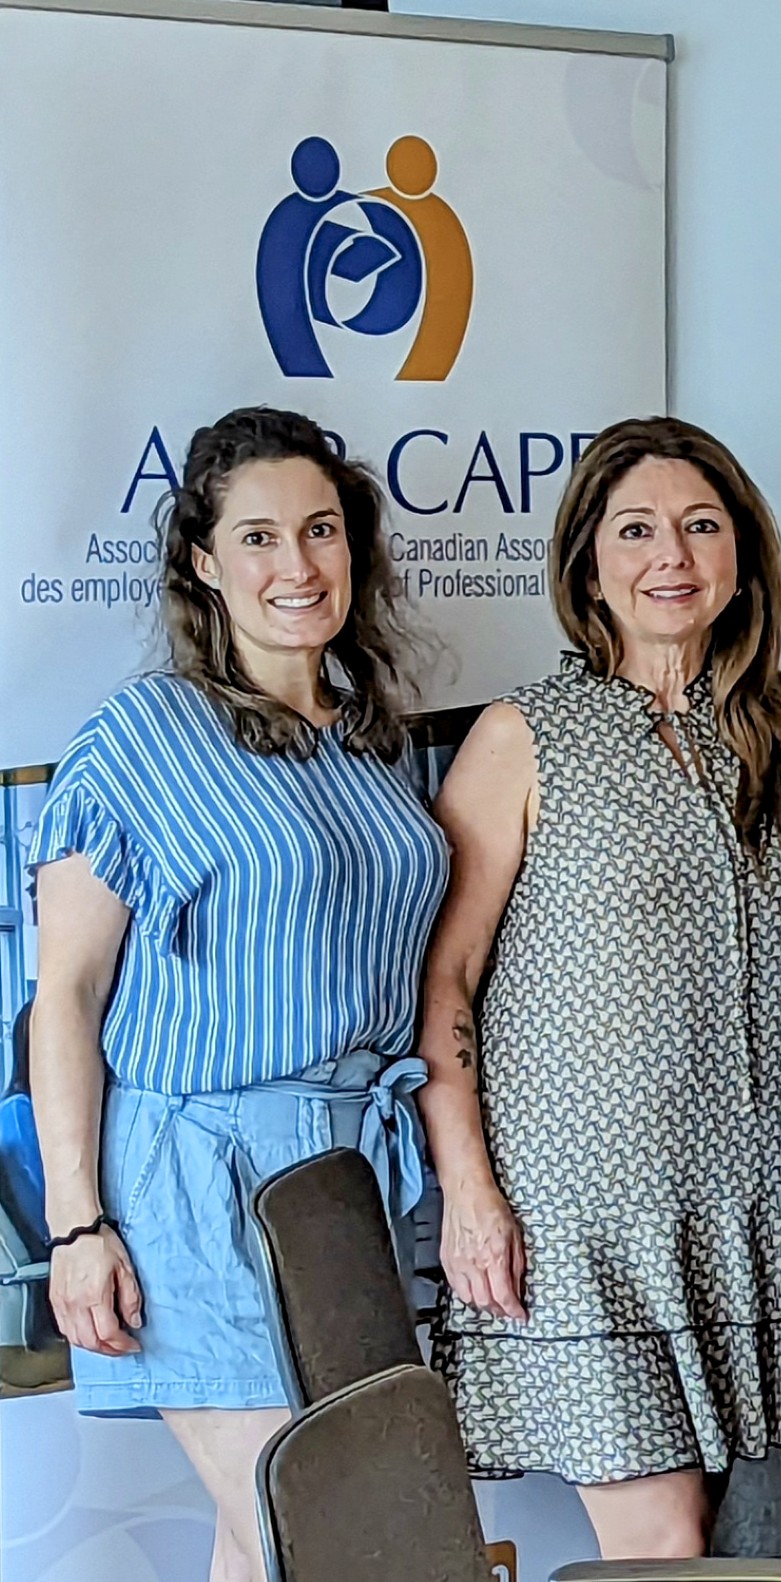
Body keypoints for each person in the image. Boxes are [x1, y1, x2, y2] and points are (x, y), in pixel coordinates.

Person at [29, 407, 450, 1582]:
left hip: (348, 1177)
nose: (297, 566)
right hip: (197, 1179)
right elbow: (62, 996)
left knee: (288, 1535)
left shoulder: (367, 738)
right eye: (258, 538)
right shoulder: (142, 736)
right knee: (309, 1529)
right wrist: (77, 1224)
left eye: (319, 530)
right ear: (204, 564)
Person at [416, 418, 781, 1556]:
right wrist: (469, 1193)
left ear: (741, 551)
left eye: (700, 525)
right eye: (635, 529)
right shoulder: (523, 735)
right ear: (588, 560)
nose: (671, 556)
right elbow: (443, 979)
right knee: (666, 1551)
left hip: (756, 1210)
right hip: (584, 1219)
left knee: (768, 1543)